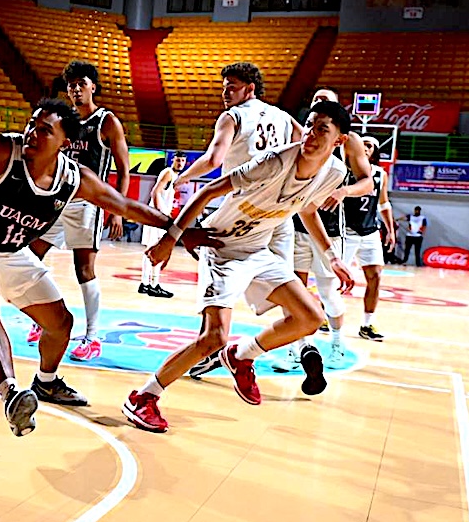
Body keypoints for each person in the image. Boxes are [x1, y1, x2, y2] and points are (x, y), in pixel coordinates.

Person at [0, 95, 218, 436]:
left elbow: (125, 206)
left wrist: (179, 231)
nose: (32, 133)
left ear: (64, 144)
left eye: (44, 130)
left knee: (61, 323)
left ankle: (46, 382)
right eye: (31, 125)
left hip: (11, 253)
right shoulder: (1, 150)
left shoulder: (74, 178)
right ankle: (11, 393)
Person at [131, 100, 356, 433]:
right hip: (222, 247)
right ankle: (145, 397)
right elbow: (209, 191)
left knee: (310, 317)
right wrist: (170, 239)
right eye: (309, 125)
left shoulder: (334, 172)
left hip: (257, 250)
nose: (310, 134)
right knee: (212, 338)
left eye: (322, 129)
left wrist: (332, 257)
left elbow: (308, 209)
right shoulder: (274, 161)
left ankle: (242, 356)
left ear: (339, 140)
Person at [181, 84, 372, 382]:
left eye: (324, 105)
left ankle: (317, 344)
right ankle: (290, 346)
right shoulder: (290, 132)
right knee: (290, 288)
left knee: (315, 294)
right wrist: (176, 233)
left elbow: (367, 183)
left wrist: (343, 194)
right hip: (260, 213)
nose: (312, 128)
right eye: (313, 106)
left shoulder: (342, 155)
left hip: (297, 221)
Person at [25, 60, 131, 363]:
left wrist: (118, 210)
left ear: (93, 86)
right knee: (30, 257)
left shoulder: (107, 121)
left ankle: (93, 337)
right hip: (57, 198)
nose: (75, 89)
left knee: (84, 269)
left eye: (81, 83)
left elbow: (123, 170)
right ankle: (44, 317)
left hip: (87, 203)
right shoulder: (63, 120)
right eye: (71, 85)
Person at [140, 152, 186, 298]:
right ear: (173, 160)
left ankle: (144, 284)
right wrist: (160, 214)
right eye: (178, 160)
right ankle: (153, 285)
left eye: (182, 161)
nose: (180, 163)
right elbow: (155, 192)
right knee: (158, 250)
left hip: (155, 216)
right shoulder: (168, 173)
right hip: (157, 217)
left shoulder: (174, 176)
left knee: (150, 250)